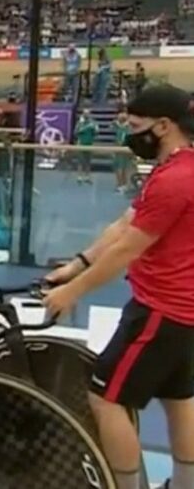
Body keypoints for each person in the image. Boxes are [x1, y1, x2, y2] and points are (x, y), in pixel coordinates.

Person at [43, 84, 194, 489]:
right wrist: (78, 264)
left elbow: (128, 247)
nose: (130, 134)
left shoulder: (174, 180)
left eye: (135, 125)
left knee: (107, 398)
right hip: (183, 314)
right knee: (179, 399)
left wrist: (70, 293)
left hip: (158, 313)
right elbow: (125, 224)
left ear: (164, 126)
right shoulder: (178, 170)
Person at [74, 108, 97, 184]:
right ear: (83, 114)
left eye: (88, 113)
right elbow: (76, 132)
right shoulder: (80, 123)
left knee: (88, 161)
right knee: (80, 161)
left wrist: (94, 129)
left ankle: (87, 177)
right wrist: (86, 128)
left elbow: (96, 133)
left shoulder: (93, 123)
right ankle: (79, 177)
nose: (86, 114)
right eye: (85, 113)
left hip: (89, 144)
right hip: (81, 144)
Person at [112, 108, 133, 192]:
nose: (121, 115)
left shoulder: (129, 126)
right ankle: (119, 184)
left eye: (124, 114)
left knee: (124, 167)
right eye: (120, 114)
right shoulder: (116, 125)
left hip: (126, 149)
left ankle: (124, 184)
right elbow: (112, 125)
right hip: (117, 149)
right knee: (117, 167)